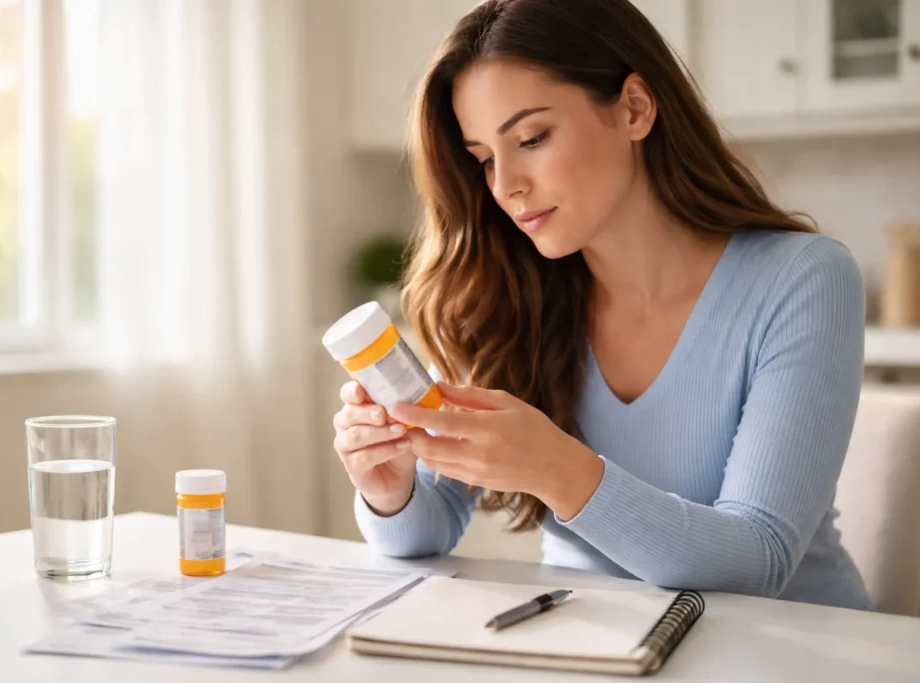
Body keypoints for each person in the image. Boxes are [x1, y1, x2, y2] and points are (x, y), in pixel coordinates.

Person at [331, 0, 872, 610]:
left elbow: (758, 559)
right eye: (483, 159)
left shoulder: (802, 279)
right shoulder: (505, 296)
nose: (505, 185)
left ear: (635, 108)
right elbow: (426, 535)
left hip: (798, 650)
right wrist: (391, 491)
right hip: (592, 642)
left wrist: (556, 468)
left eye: (532, 138)